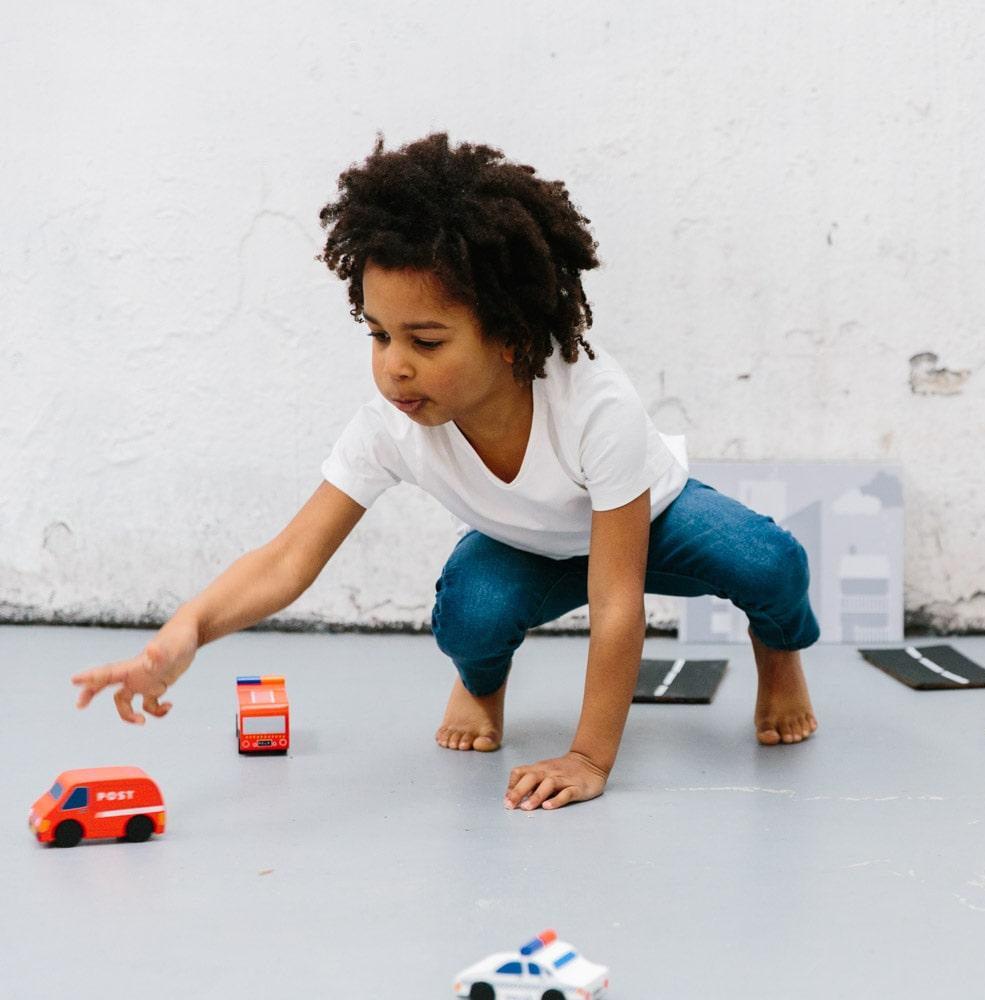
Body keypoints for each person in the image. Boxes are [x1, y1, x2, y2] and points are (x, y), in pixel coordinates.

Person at [71, 132, 819, 812]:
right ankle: (482, 684)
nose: (394, 366)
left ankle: (779, 655)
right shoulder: (392, 426)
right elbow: (288, 558)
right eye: (379, 334)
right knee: (470, 610)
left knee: (768, 562)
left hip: (649, 526)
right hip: (530, 549)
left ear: (512, 339)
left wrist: (590, 756)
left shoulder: (597, 404)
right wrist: (183, 637)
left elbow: (617, 603)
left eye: (425, 340)